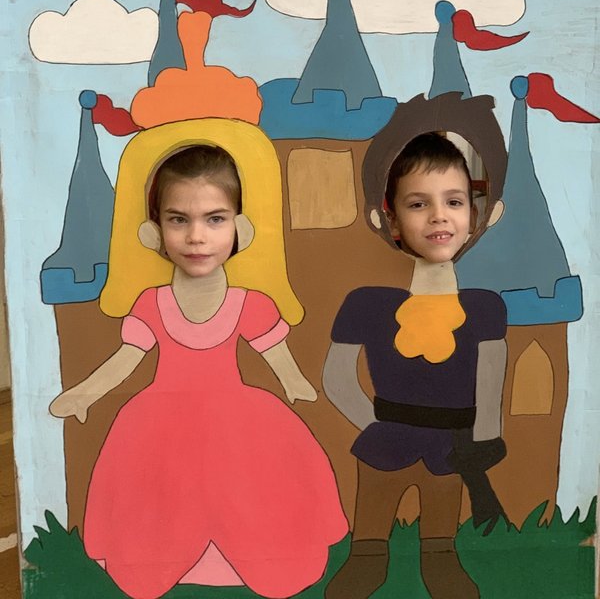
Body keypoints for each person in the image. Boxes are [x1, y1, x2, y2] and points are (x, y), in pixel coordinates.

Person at [51, 142, 347, 599]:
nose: (196, 237)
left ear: (240, 228)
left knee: (242, 492)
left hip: (238, 425)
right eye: (178, 220)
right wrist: (84, 393)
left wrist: (296, 384)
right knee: (169, 495)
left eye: (214, 219)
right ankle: (167, 561)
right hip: (160, 426)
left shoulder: (251, 304)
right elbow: (125, 361)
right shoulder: (151, 304)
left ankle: (248, 561)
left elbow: (280, 361)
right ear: (153, 232)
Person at [323, 132, 507, 599]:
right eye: (419, 203)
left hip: (452, 449)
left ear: (478, 216)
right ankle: (365, 564)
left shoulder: (486, 308)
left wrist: (483, 442)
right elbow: (337, 378)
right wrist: (375, 426)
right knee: (367, 552)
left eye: (454, 201)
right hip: (385, 443)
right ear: (389, 219)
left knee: (441, 555)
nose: (439, 215)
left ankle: (442, 565)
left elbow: (491, 384)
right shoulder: (366, 304)